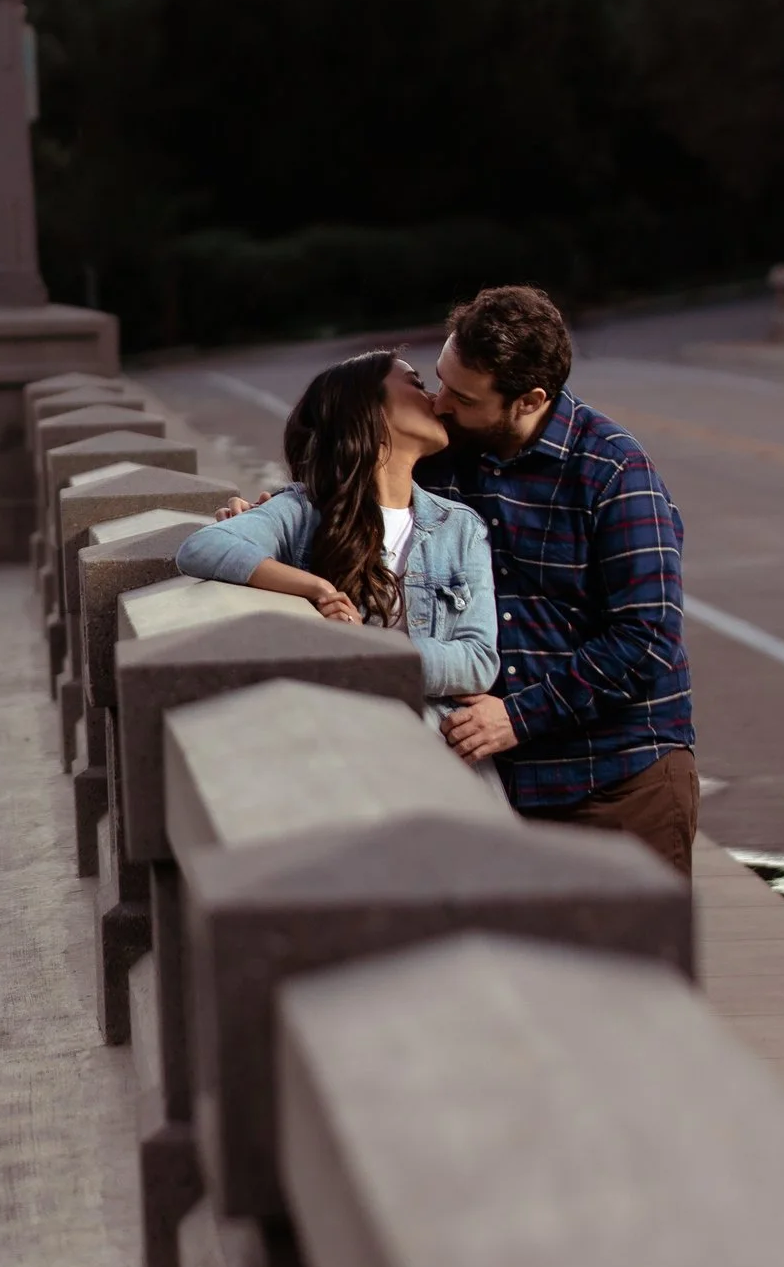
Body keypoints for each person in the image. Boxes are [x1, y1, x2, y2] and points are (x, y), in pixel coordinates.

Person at [414, 285, 697, 872]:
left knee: (626, 970)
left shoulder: (614, 471)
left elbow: (644, 640)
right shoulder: (441, 455)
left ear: (528, 399)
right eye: (438, 379)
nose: (439, 403)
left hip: (617, 786)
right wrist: (270, 519)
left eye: (461, 396)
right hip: (493, 789)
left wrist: (518, 716)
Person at [175, 352, 501, 731]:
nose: (434, 399)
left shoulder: (459, 527)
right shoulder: (304, 509)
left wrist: (368, 648)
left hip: (434, 746)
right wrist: (316, 588)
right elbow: (202, 548)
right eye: (416, 384)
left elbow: (478, 662)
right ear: (369, 408)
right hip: (339, 732)